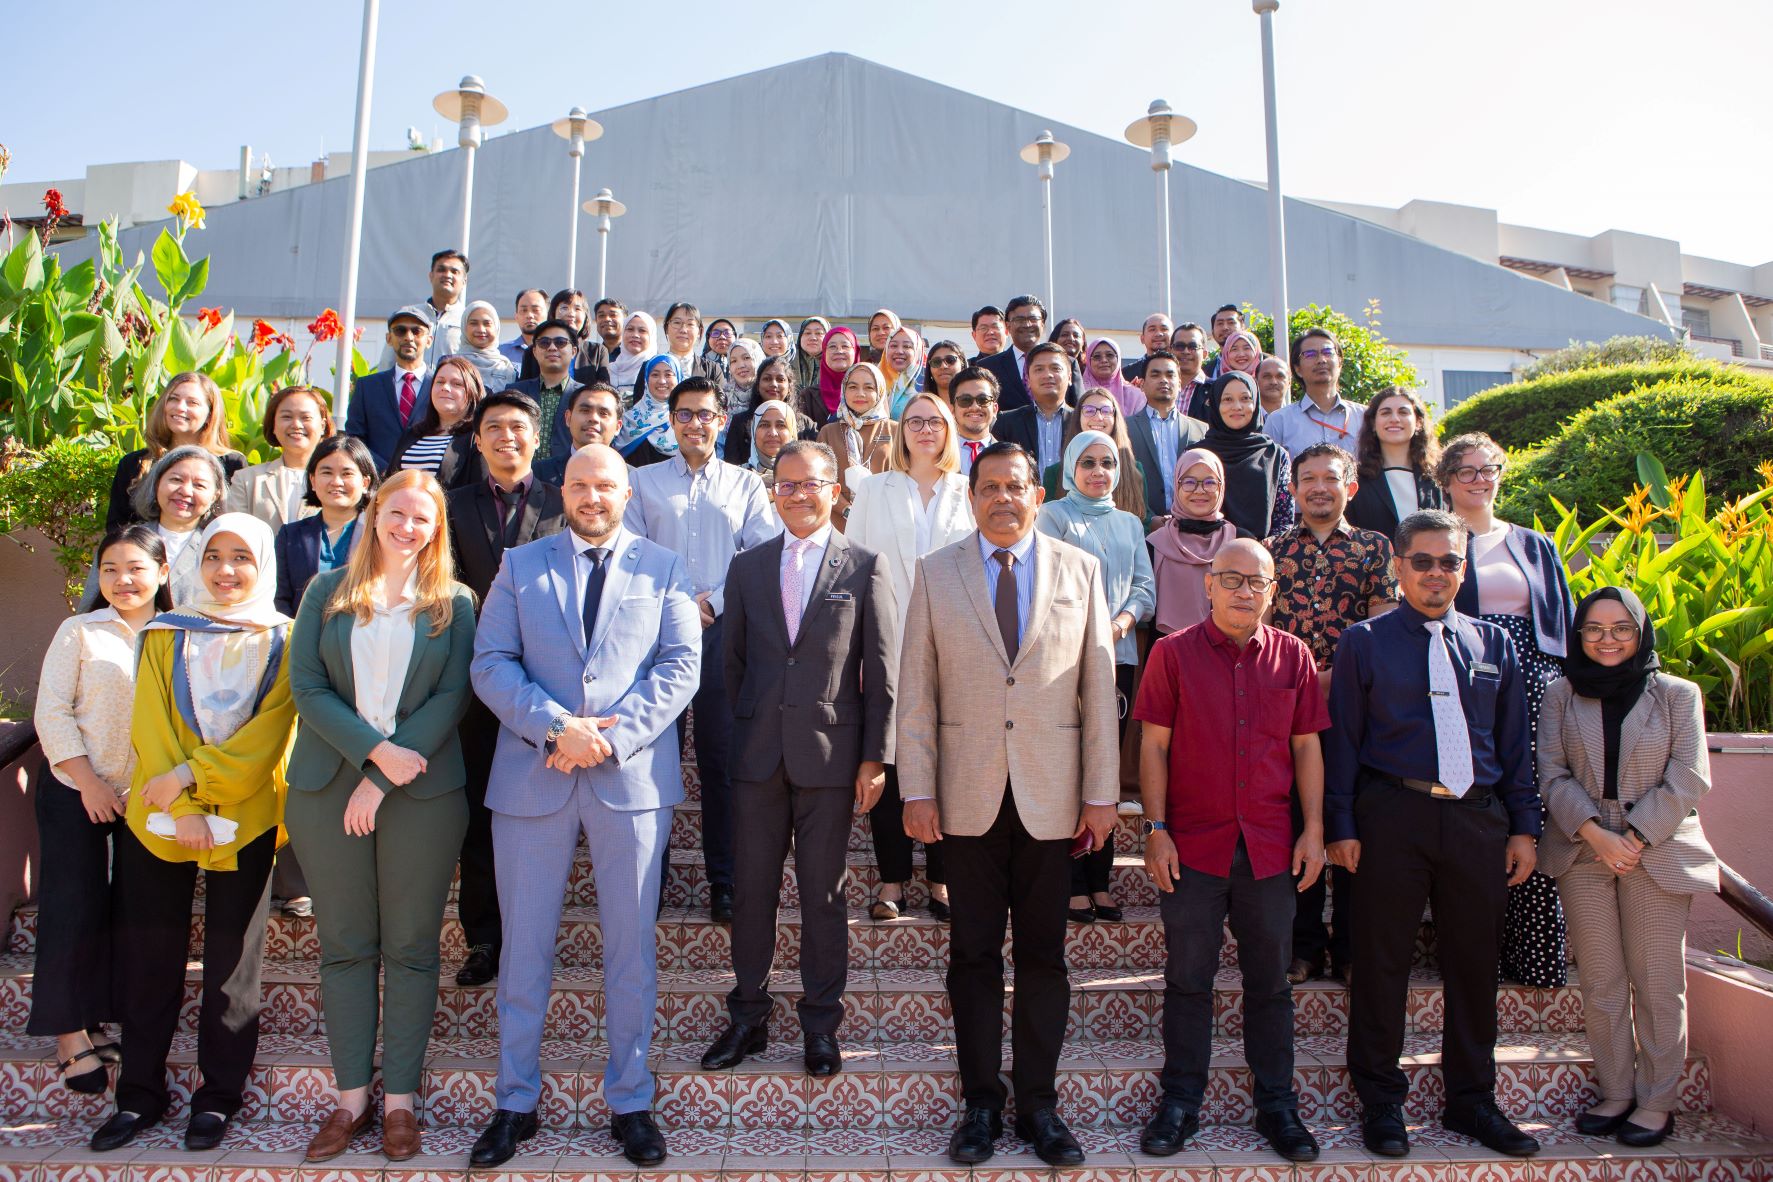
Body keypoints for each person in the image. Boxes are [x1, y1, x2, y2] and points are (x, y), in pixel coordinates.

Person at [467, 444, 699, 1170]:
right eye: (578, 485)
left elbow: (680, 665)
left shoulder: (664, 567)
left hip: (629, 782)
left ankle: (631, 1101)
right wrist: (555, 728)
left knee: (630, 950)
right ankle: (514, 1101)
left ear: (627, 494)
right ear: (560, 491)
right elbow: (490, 662)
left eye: (604, 485)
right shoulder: (519, 565)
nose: (591, 497)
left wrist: (610, 739)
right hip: (533, 777)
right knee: (523, 950)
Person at [896, 442, 1118, 1168]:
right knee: (972, 954)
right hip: (966, 797)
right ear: (971, 496)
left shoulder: (1080, 570)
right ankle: (981, 1104)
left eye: (1014, 486)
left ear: (1035, 494)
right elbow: (917, 691)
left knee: (1045, 957)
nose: (1001, 498)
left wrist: (1101, 793)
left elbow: (1097, 688)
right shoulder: (936, 572)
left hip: (1053, 797)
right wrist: (917, 788)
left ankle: (1039, 1105)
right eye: (988, 486)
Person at [1324, 509, 1544, 1161]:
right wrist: (1341, 825)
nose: (1435, 573)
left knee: (1473, 965)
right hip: (1392, 816)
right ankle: (1380, 1101)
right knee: (1381, 963)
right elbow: (1343, 742)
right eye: (1421, 561)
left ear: (1463, 569)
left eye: (1448, 562)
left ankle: (1471, 1099)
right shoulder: (1363, 642)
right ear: (1398, 567)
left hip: (1478, 821)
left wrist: (1524, 828)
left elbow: (1515, 746)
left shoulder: (1492, 644)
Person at [285, 470, 477, 1163]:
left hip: (421, 792)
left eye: (422, 518)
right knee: (344, 944)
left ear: (436, 529)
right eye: (396, 513)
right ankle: (350, 1102)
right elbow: (307, 686)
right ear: (373, 514)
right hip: (326, 788)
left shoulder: (454, 602)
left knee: (411, 946)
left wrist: (382, 778)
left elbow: (453, 695)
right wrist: (373, 758)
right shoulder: (326, 591)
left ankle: (399, 1103)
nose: (407, 527)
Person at [91, 513, 295, 1154]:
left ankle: (217, 1098)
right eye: (213, 556)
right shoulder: (166, 632)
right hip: (161, 816)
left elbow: (270, 737)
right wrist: (183, 805)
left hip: (246, 812)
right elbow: (149, 723)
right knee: (151, 957)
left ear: (264, 564)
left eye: (242, 557)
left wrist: (194, 779)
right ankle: (139, 1095)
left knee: (232, 963)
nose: (225, 570)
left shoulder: (285, 639)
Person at [700, 439, 898, 1075]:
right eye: (785, 484)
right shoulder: (748, 567)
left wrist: (875, 758)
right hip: (758, 759)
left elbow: (881, 671)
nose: (797, 494)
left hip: (831, 760)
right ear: (772, 493)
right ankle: (748, 1017)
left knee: (824, 896)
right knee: (752, 893)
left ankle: (820, 1024)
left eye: (810, 483)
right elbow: (733, 665)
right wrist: (751, 727)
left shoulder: (864, 566)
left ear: (834, 491)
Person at [1134, 538, 1324, 1162]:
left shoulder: (1293, 656)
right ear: (1209, 585)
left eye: (1257, 581)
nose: (1245, 591)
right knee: (1189, 979)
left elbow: (1306, 748)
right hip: (1192, 847)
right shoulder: (1172, 654)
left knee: (1270, 983)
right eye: (1233, 579)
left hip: (1270, 848)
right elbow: (1154, 746)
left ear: (1273, 590)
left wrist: (1313, 830)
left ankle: (1278, 1106)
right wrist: (1155, 829)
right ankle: (1179, 1103)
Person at [1538, 587, 1719, 1149]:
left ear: (1641, 632)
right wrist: (1597, 834)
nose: (1607, 639)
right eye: (1594, 628)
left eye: (1622, 628)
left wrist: (1633, 838)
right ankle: (1617, 1092)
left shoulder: (1677, 694)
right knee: (1601, 981)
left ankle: (1657, 1101)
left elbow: (1689, 776)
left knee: (1658, 982)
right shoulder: (1560, 694)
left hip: (1655, 848)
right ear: (1578, 634)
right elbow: (1551, 772)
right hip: (1583, 845)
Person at [628, 378, 780, 921]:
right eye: (685, 414)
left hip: (723, 632)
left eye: (706, 414)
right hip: (653, 636)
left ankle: (726, 882)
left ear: (721, 421)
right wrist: (677, 604)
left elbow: (760, 553)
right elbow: (630, 551)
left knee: (721, 759)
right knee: (650, 761)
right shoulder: (642, 481)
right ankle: (649, 879)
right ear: (671, 420)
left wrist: (711, 600)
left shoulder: (746, 484)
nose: (696, 423)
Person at [31, 525, 170, 1095]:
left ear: (162, 572)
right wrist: (88, 783)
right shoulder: (80, 630)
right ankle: (70, 1035)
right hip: (75, 787)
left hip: (147, 798)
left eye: (135, 568)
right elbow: (52, 712)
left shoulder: (178, 633)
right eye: (110, 569)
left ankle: (99, 1017)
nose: (122, 580)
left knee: (128, 913)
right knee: (73, 907)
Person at [1439, 432, 1575, 988]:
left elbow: (1564, 621)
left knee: (1531, 809)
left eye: (1488, 469)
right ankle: (1479, 957)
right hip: (1465, 680)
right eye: (1466, 471)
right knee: (1476, 804)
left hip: (1537, 684)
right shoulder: (1441, 542)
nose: (1479, 480)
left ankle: (1537, 954)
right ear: (1447, 481)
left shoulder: (1534, 544)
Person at [445, 391, 568, 987]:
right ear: (477, 439)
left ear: (536, 438)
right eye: (493, 427)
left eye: (518, 427)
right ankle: (484, 939)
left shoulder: (561, 502)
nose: (505, 437)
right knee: (477, 813)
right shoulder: (451, 505)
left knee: (546, 814)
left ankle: (538, 931)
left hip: (548, 684)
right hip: (474, 683)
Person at [1263, 444, 1397, 986]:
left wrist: (1331, 679)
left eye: (1331, 478)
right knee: (1297, 823)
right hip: (1288, 713)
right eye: (1308, 479)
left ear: (1351, 487)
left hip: (1357, 710)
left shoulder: (1375, 548)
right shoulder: (1272, 550)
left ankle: (1350, 947)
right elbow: (1261, 630)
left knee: (1351, 822)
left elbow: (1385, 629)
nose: (1319, 487)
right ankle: (1303, 947)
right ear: (1293, 489)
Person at [847, 395, 973, 921]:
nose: (925, 430)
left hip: (955, 644)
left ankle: (942, 879)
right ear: (901, 432)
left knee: (948, 760)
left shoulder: (969, 490)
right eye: (915, 421)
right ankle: (893, 880)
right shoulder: (874, 489)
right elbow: (851, 568)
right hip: (887, 640)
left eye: (935, 421)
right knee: (891, 760)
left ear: (950, 431)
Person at [1037, 430, 1153, 925]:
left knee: (1103, 765)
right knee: (1069, 765)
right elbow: (1044, 581)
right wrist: (1089, 626)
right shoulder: (1053, 516)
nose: (1098, 471)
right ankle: (1071, 882)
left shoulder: (1128, 523)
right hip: (1064, 658)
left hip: (1116, 657)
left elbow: (1145, 588)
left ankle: (1099, 880)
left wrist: (1120, 624)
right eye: (1087, 462)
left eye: (1107, 462)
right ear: (1070, 467)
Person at [107, 373, 246, 530]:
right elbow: (116, 527)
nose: (180, 407)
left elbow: (238, 526)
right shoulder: (134, 463)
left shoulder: (232, 464)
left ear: (210, 414)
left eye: (192, 402)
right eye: (173, 399)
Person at [274, 434, 377, 617]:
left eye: (347, 473)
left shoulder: (378, 534)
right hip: (300, 630)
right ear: (313, 481)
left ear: (365, 483)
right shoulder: (291, 535)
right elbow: (280, 598)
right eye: (327, 472)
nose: (336, 481)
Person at [1147, 450, 1240, 636]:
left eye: (1210, 482)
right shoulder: (1155, 545)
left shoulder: (1238, 543)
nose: (1199, 490)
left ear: (1221, 486)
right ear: (1177, 486)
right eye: (1189, 482)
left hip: (1228, 648)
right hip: (1167, 650)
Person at [1201, 371, 1295, 537]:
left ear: (1256, 403)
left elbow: (1284, 518)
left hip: (1265, 550)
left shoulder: (1275, 455)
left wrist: (1264, 547)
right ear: (1215, 404)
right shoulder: (1198, 455)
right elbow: (1189, 511)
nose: (1237, 406)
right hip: (1206, 548)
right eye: (1227, 399)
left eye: (1245, 398)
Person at [224, 384, 330, 531]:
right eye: (287, 417)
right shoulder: (247, 480)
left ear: (323, 425)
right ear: (273, 425)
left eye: (306, 417)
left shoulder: (339, 480)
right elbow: (234, 533)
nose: (296, 424)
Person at [131, 445, 227, 606]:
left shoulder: (222, 547)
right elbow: (92, 608)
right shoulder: (125, 542)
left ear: (215, 496)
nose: (186, 491)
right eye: (176, 480)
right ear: (157, 483)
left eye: (199, 485)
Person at [1038, 388, 1149, 527]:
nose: (1098, 417)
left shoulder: (1135, 470)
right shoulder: (1054, 473)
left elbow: (1143, 519)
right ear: (1078, 417)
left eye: (1106, 411)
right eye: (1089, 410)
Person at [1346, 385, 1446, 539]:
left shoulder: (1437, 478)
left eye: (1403, 412)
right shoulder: (1355, 480)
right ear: (1373, 423)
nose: (1394, 419)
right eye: (1386, 413)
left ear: (1418, 422)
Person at [347, 305, 435, 470]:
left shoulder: (441, 387)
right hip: (378, 477)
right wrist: (383, 471)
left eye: (416, 331)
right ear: (389, 338)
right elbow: (355, 439)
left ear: (429, 340)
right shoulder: (367, 387)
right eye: (400, 331)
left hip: (427, 478)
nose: (408, 337)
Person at [1125, 350, 1208, 521]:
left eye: (1170, 375)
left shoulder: (1201, 430)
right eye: (1155, 375)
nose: (1163, 380)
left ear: (1180, 383)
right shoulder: (1125, 428)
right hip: (1141, 524)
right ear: (1142, 384)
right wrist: (1148, 519)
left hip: (1191, 523)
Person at [1265, 328, 1366, 460]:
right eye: (1310, 354)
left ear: (1340, 363)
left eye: (1328, 352)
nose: (1321, 360)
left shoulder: (1364, 417)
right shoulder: (1278, 421)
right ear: (1297, 369)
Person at [816, 361, 896, 528]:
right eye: (852, 387)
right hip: (838, 523)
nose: (860, 393)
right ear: (844, 391)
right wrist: (847, 510)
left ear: (880, 392)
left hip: (886, 521)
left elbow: (904, 479)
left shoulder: (895, 430)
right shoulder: (829, 432)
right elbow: (821, 480)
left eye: (869, 388)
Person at [387, 354, 484, 489]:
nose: (445, 387)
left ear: (473, 392)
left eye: (456, 384)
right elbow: (389, 480)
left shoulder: (477, 437)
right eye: (440, 382)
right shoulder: (412, 433)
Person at [980, 294, 1081, 412]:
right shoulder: (988, 366)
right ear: (1008, 325)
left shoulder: (1068, 363)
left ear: (1042, 324)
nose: (1027, 325)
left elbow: (1080, 410)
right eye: (1019, 320)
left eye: (1033, 319)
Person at [372, 250, 465, 371]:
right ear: (431, 276)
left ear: (464, 281)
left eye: (454, 271)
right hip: (409, 382)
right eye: (441, 270)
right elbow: (387, 361)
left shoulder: (468, 320)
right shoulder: (408, 315)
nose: (447, 275)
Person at [506, 318, 584, 463]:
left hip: (569, 471)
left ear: (573, 351)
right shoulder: (514, 392)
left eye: (560, 342)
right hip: (523, 472)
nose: (552, 347)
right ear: (535, 351)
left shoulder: (585, 395)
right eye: (544, 343)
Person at [993, 342, 1074, 476]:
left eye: (1055, 368)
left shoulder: (1082, 420)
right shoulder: (1006, 422)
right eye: (1039, 369)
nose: (1048, 375)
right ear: (1028, 379)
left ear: (1070, 377)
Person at [725, 356, 817, 471]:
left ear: (789, 386)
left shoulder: (806, 424)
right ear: (757, 385)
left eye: (780, 379)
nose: (774, 384)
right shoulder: (740, 422)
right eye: (767, 379)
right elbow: (731, 468)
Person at [533, 383, 624, 486]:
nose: (593, 418)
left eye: (603, 413)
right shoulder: (537, 473)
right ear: (568, 418)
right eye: (585, 411)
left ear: (618, 426)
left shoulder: (631, 478)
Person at [614, 355, 687, 468]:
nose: (662, 381)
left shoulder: (687, 419)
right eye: (655, 375)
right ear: (646, 380)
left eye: (668, 375)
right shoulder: (628, 420)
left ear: (678, 378)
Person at [947, 366, 1000, 475]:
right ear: (952, 410)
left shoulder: (1010, 458)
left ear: (995, 409)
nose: (975, 407)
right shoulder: (937, 455)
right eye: (965, 400)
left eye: (983, 400)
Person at [717, 337, 764, 457]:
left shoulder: (768, 394)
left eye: (746, 358)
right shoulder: (722, 398)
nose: (740, 365)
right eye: (733, 361)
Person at [804, 325, 858, 428]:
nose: (839, 351)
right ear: (824, 353)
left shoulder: (868, 391)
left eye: (845, 346)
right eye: (832, 346)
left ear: (855, 351)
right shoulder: (808, 396)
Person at [458, 299, 518, 393]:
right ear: (464, 327)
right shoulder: (452, 363)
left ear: (496, 327)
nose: (481, 329)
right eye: (473, 323)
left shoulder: (507, 368)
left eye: (487, 324)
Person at [1084, 337, 1146, 417]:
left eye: (1110, 355)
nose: (1104, 360)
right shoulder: (1080, 392)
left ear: (1118, 358)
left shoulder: (1135, 395)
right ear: (1089, 361)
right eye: (1097, 356)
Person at [608, 310, 660, 400]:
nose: (635, 335)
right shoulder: (609, 370)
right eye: (630, 329)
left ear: (651, 336)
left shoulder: (657, 370)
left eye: (642, 331)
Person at [1167, 323, 1214, 419]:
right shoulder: (1158, 386)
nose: (1186, 351)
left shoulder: (1215, 390)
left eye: (1193, 346)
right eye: (1179, 346)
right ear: (1170, 351)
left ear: (1205, 354)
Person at [882, 324, 927, 417]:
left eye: (907, 346)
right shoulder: (874, 378)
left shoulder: (929, 382)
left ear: (917, 351)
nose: (899, 351)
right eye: (894, 345)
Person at [498, 288, 548, 370]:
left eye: (536, 310)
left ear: (548, 315)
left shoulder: (556, 351)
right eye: (524, 310)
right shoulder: (500, 353)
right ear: (516, 317)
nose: (529, 315)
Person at [1119, 312, 1173, 383]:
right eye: (1152, 329)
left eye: (1164, 329)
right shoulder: (1127, 373)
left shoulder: (1182, 367)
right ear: (1142, 338)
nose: (1158, 334)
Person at [1203, 304, 1244, 379]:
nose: (1225, 327)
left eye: (1231, 322)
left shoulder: (1262, 363)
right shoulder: (1205, 371)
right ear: (1212, 331)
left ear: (1242, 327)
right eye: (1220, 323)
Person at [792, 316, 829, 392]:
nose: (813, 338)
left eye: (818, 333)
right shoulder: (787, 363)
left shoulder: (836, 365)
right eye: (807, 333)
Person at [701, 317, 737, 385]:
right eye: (715, 333)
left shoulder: (744, 363)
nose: (722, 337)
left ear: (735, 337)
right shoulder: (698, 365)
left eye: (727, 333)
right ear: (708, 338)